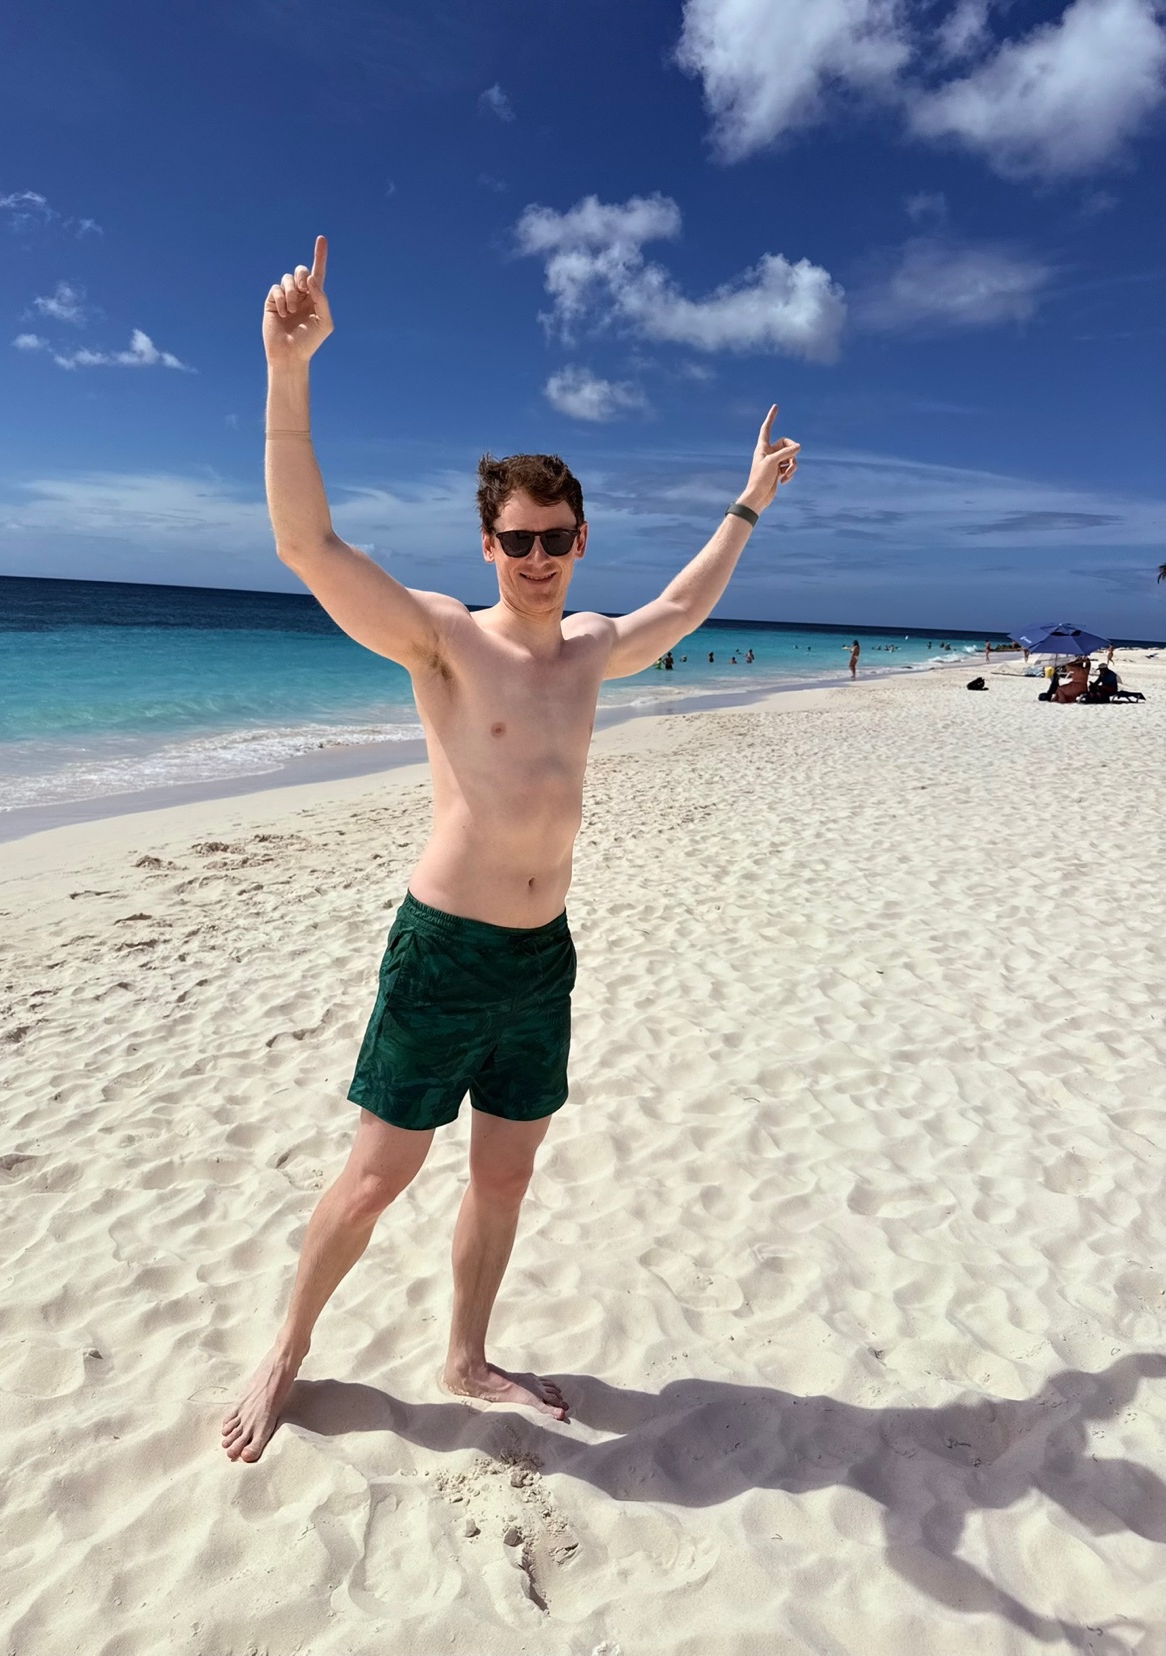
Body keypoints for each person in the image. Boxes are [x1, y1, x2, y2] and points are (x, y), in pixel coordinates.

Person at [221, 236, 801, 1465]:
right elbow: (308, 552)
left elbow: (684, 608)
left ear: (581, 541)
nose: (539, 560)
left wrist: (747, 502)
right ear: (486, 545)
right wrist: (288, 370)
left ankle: (465, 1356)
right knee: (377, 1180)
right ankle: (284, 1350)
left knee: (503, 1182)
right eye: (519, 540)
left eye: (559, 538)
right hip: (443, 953)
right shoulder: (442, 642)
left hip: (543, 961)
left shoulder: (590, 647)